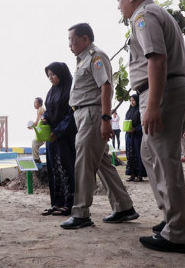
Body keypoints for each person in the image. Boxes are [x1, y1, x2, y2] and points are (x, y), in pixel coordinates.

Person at [117, 0, 185, 253]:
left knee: (164, 159)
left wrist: (152, 105)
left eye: (118, 1)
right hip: (170, 88)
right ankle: (170, 220)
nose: (118, 8)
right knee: (150, 153)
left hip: (164, 90)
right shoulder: (154, 13)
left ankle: (177, 233)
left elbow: (157, 58)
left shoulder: (144, 15)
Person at [60, 22, 138, 230]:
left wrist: (105, 119)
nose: (70, 44)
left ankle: (81, 213)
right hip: (84, 115)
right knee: (103, 164)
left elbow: (106, 87)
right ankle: (124, 207)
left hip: (93, 115)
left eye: (73, 40)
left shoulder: (96, 56)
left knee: (83, 163)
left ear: (85, 39)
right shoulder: (83, 59)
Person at [41, 62, 77, 217]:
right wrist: (45, 118)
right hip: (52, 137)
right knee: (54, 169)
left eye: (53, 74)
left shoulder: (70, 90)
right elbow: (49, 111)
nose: (51, 78)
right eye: (49, 75)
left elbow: (71, 114)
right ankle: (57, 203)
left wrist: (58, 131)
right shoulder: (51, 92)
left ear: (61, 74)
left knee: (66, 168)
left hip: (64, 136)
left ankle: (70, 204)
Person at [124, 94, 146, 182]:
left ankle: (139, 175)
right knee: (130, 155)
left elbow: (143, 123)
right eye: (130, 100)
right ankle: (132, 174)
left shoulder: (140, 111)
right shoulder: (129, 111)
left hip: (137, 136)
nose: (132, 102)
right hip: (129, 136)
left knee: (138, 154)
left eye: (133, 100)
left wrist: (136, 129)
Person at [27, 97, 45, 163]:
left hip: (45, 133)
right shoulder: (39, 110)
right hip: (42, 133)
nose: (34, 104)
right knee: (35, 143)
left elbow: (38, 121)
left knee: (35, 143)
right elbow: (38, 122)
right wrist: (32, 126)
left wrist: (32, 125)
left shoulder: (40, 109)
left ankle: (36, 159)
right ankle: (36, 159)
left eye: (35, 102)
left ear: (40, 104)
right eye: (34, 103)